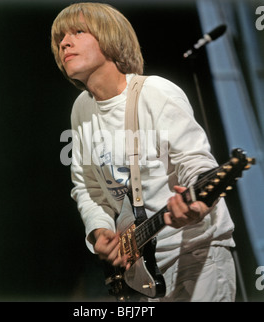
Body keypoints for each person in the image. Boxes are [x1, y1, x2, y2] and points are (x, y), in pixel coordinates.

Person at [51, 2, 236, 302]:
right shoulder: (81, 109)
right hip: (145, 273)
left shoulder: (156, 93)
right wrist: (100, 232)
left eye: (78, 31)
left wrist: (198, 205)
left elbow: (198, 164)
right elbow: (87, 186)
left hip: (198, 255)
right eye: (60, 38)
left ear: (110, 37)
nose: (64, 42)